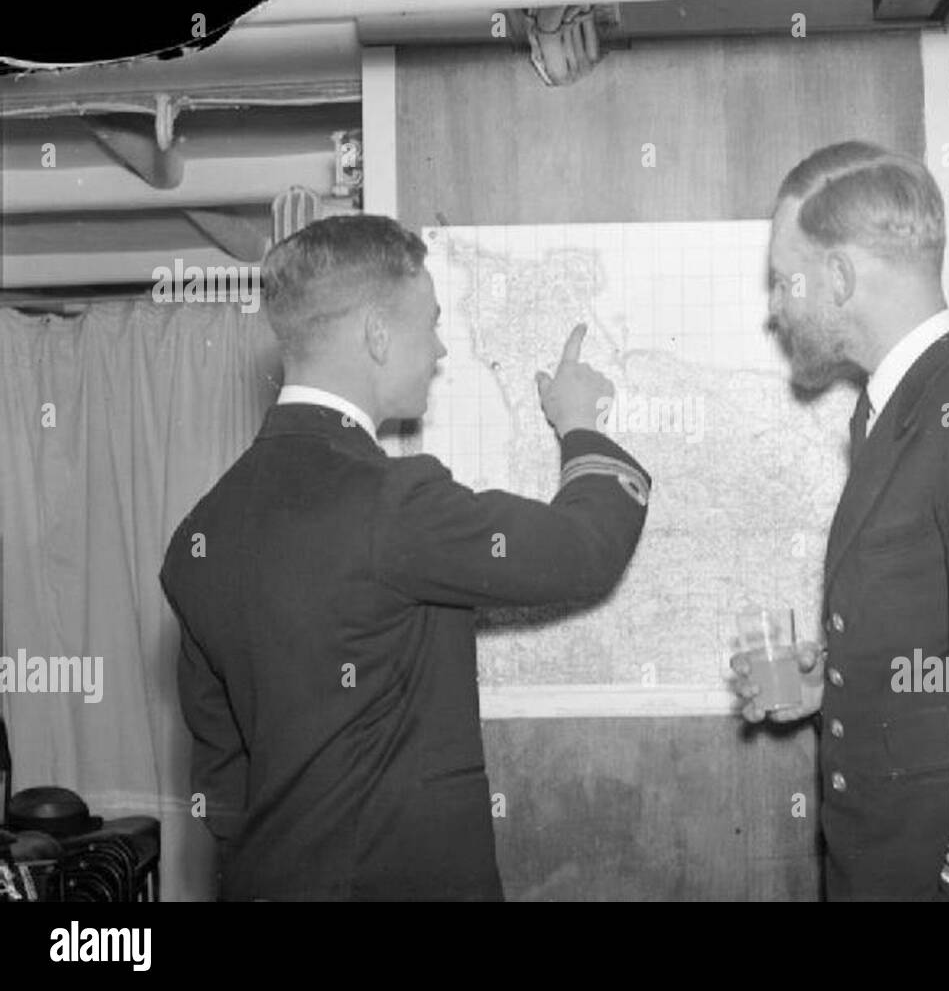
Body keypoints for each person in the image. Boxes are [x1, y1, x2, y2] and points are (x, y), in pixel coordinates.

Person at [159, 215, 650, 901]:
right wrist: (580, 425)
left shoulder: (198, 537)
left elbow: (224, 784)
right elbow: (582, 551)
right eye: (431, 322)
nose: (443, 348)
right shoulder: (390, 502)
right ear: (377, 336)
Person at [734, 140, 949, 901]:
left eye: (782, 281)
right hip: (892, 858)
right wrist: (838, 678)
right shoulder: (899, 413)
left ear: (838, 276)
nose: (776, 308)